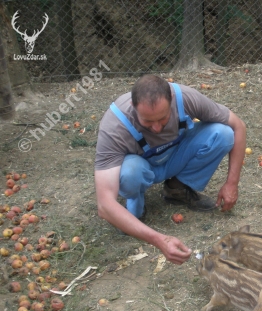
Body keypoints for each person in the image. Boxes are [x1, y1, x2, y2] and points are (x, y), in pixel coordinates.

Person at [94, 74, 246, 265]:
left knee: (223, 134)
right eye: (148, 121)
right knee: (129, 173)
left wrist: (232, 183)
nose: (157, 128)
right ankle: (135, 203)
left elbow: (238, 126)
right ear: (133, 107)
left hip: (174, 156)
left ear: (172, 101)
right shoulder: (114, 125)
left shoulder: (186, 98)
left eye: (163, 118)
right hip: (142, 167)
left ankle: (176, 188)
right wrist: (160, 240)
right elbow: (104, 205)